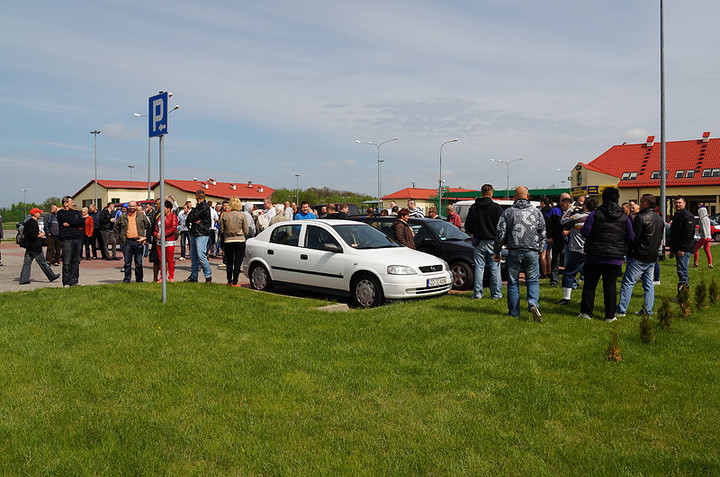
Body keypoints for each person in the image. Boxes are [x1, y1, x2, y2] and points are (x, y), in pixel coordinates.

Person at [579, 187, 634, 322]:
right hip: (614, 257)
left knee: (590, 284)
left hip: (594, 255)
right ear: (617, 199)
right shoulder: (624, 217)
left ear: (602, 199)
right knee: (610, 286)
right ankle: (610, 315)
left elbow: (585, 232)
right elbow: (631, 237)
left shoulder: (595, 214)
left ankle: (586, 313)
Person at [493, 186, 545, 322]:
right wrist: (539, 249)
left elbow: (500, 233)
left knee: (513, 282)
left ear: (514, 197)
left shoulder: (508, 212)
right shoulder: (537, 212)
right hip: (532, 251)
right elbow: (543, 233)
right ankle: (533, 303)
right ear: (528, 196)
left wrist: (497, 250)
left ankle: (514, 312)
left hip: (514, 251)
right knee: (532, 280)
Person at [616, 194, 665, 317]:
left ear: (645, 204)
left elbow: (634, 238)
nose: (638, 204)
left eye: (641, 201)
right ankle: (647, 310)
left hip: (639, 255)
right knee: (648, 285)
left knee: (628, 282)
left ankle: (621, 310)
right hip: (652, 256)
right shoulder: (659, 219)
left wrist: (629, 251)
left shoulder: (640, 218)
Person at [464, 184, 503, 300]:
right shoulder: (496, 208)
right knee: (495, 268)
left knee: (479, 268)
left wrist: (473, 233)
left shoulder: (474, 207)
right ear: (491, 193)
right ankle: (496, 294)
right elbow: (502, 226)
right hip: (493, 242)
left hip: (479, 241)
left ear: (481, 193)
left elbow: (468, 226)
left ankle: (477, 294)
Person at [556, 197, 595, 305]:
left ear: (585, 206)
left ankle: (566, 298)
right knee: (589, 275)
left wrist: (570, 209)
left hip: (578, 249)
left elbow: (563, 221)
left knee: (568, 273)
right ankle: (587, 298)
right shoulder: (597, 217)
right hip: (592, 251)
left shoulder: (578, 217)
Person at [19, 208, 60, 285]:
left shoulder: (27, 222)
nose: (40, 214)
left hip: (29, 247)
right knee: (43, 263)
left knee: (27, 264)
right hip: (35, 247)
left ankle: (23, 279)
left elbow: (26, 234)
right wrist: (41, 234)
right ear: (34, 214)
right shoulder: (33, 223)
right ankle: (52, 276)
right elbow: (33, 235)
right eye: (38, 213)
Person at [114, 200, 150, 283]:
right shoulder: (122, 217)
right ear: (128, 207)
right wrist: (119, 239)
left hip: (138, 241)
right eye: (130, 206)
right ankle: (127, 280)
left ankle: (139, 280)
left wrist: (145, 238)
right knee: (127, 263)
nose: (132, 208)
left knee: (139, 263)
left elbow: (148, 227)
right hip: (127, 242)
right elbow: (116, 228)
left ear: (136, 206)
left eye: (133, 206)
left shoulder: (141, 216)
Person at [668, 196, 696, 292]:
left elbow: (688, 234)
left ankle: (683, 294)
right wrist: (672, 250)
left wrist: (683, 249)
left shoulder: (687, 216)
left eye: (679, 202)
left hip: (684, 249)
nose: (677, 204)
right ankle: (682, 293)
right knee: (680, 271)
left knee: (682, 271)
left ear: (684, 203)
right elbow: (674, 234)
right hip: (677, 248)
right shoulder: (677, 215)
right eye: (676, 203)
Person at [185, 189, 213, 283]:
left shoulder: (204, 207)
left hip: (201, 234)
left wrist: (192, 216)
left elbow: (192, 216)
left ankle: (208, 276)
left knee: (201, 255)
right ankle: (194, 276)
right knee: (194, 256)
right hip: (195, 232)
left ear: (196, 197)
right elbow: (189, 218)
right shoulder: (198, 207)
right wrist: (192, 217)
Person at [56, 196, 85, 287]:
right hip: (67, 239)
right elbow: (68, 219)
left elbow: (81, 221)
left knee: (76, 260)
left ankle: (74, 281)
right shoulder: (60, 212)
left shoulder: (76, 212)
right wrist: (74, 222)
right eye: (71, 202)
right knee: (67, 261)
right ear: (65, 204)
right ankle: (66, 282)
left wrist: (71, 223)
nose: (73, 204)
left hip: (77, 237)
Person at [220, 197, 249, 286]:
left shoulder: (224, 215)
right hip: (240, 240)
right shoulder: (242, 215)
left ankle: (229, 280)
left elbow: (221, 230)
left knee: (229, 262)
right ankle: (235, 281)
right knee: (238, 262)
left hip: (228, 240)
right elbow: (246, 231)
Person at [545, 192, 571, 286]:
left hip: (569, 240)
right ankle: (554, 280)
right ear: (561, 200)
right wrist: (550, 237)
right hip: (557, 238)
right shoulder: (554, 210)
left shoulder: (572, 211)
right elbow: (548, 224)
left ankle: (570, 281)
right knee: (556, 259)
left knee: (569, 260)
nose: (568, 203)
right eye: (566, 200)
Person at [153, 200, 178, 282]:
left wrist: (164, 234)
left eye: (164, 208)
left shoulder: (173, 216)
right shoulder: (160, 217)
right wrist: (156, 234)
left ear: (169, 208)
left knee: (170, 259)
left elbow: (173, 228)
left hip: (169, 241)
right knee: (161, 259)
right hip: (160, 241)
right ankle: (162, 277)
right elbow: (156, 227)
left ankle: (171, 277)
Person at [538, 196, 553, 279]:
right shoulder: (551, 210)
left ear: (542, 202)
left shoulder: (541, 212)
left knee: (542, 255)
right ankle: (549, 272)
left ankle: (544, 273)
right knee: (548, 255)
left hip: (544, 236)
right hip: (550, 236)